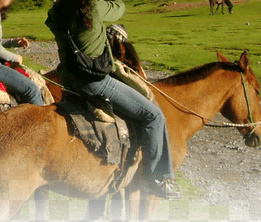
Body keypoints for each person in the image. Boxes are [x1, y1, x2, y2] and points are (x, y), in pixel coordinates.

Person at [46, 0, 181, 199]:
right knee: (154, 116)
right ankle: (157, 179)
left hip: (68, 78)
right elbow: (120, 7)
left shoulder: (57, 11)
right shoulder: (93, 7)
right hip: (94, 80)